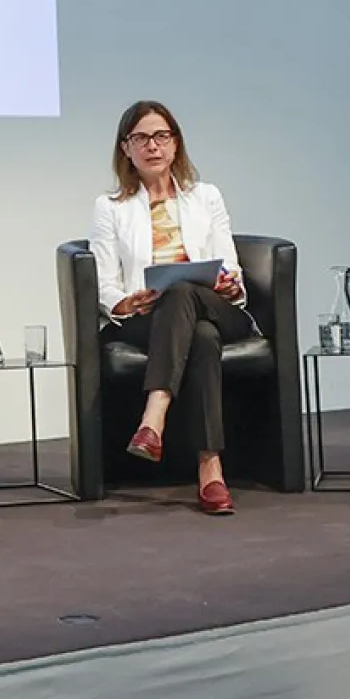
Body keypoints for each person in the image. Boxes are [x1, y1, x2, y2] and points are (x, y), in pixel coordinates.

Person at [88, 100, 251, 516]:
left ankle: (153, 416)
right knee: (200, 335)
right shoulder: (110, 207)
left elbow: (228, 261)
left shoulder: (205, 196)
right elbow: (104, 281)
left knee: (183, 293)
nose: (152, 146)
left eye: (161, 136)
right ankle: (210, 469)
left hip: (216, 305)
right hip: (149, 317)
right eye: (140, 138)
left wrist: (229, 283)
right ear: (126, 148)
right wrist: (126, 301)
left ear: (176, 143)